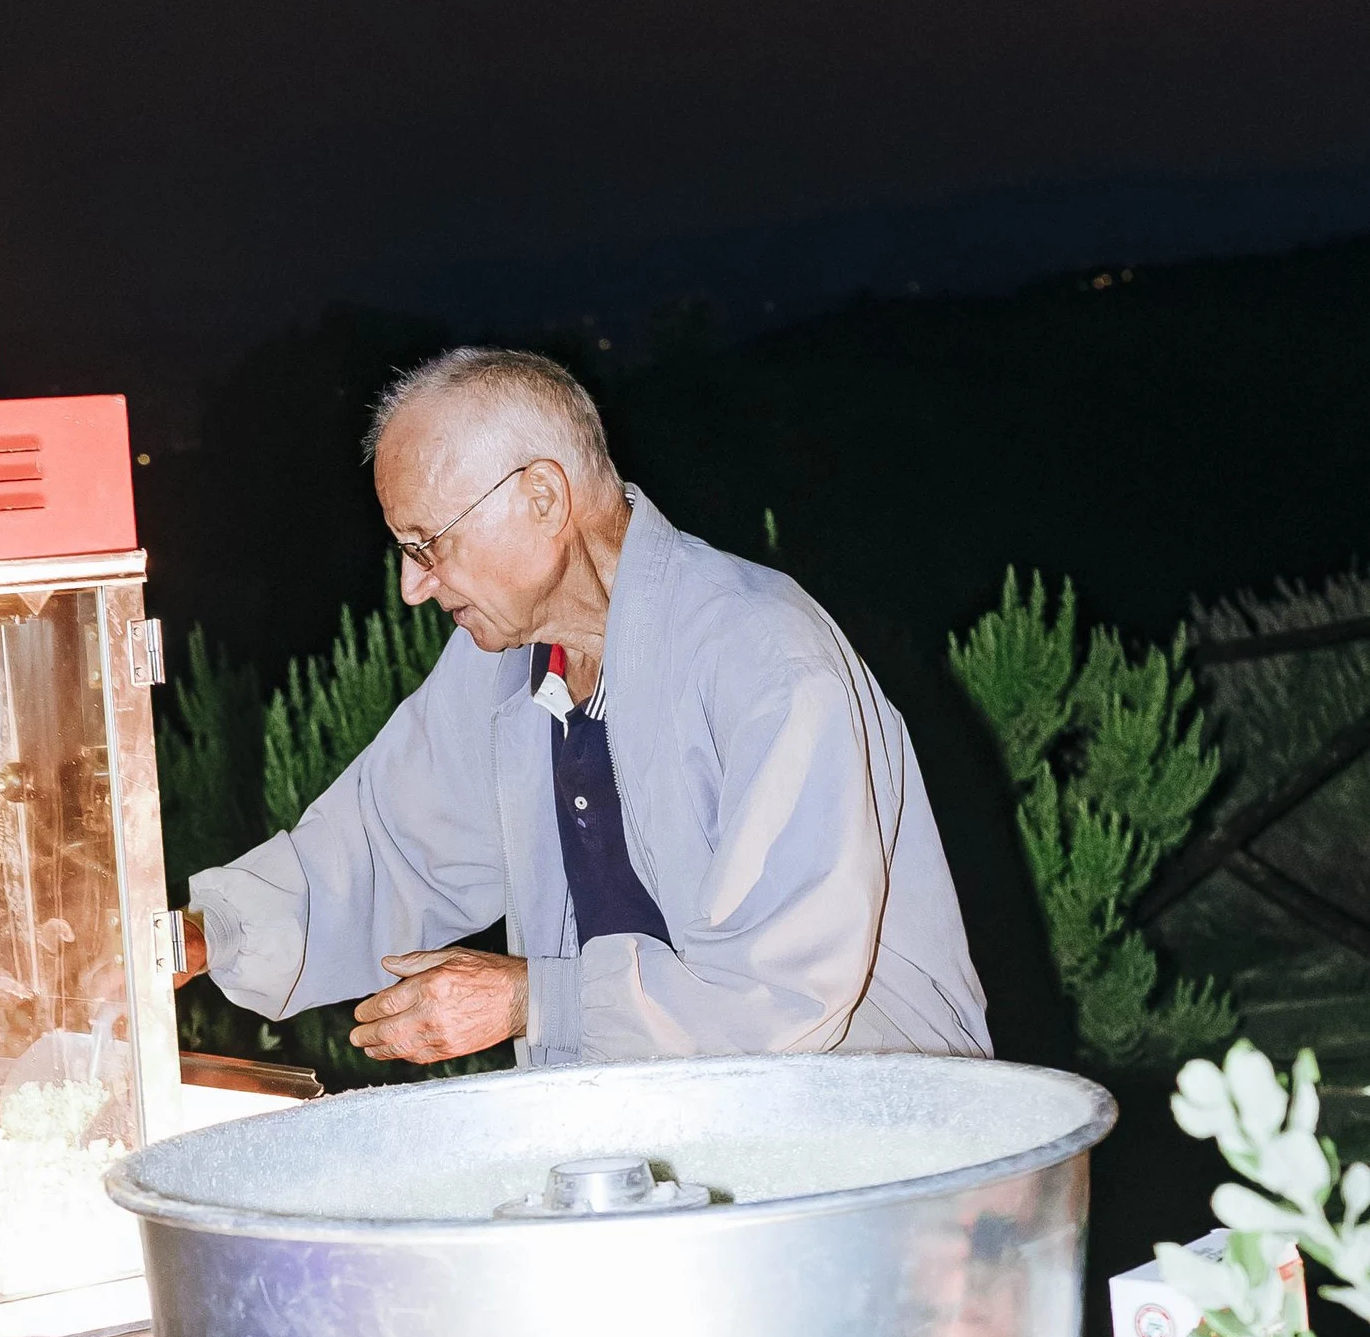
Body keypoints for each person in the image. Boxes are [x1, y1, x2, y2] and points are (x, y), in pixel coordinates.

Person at [179, 346, 990, 1066]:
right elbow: (392, 847)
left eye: (428, 543)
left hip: (877, 1144)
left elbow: (781, 996)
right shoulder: (500, 666)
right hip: (667, 1143)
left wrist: (537, 1000)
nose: (412, 586)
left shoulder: (764, 657)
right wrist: (204, 934)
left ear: (542, 498)